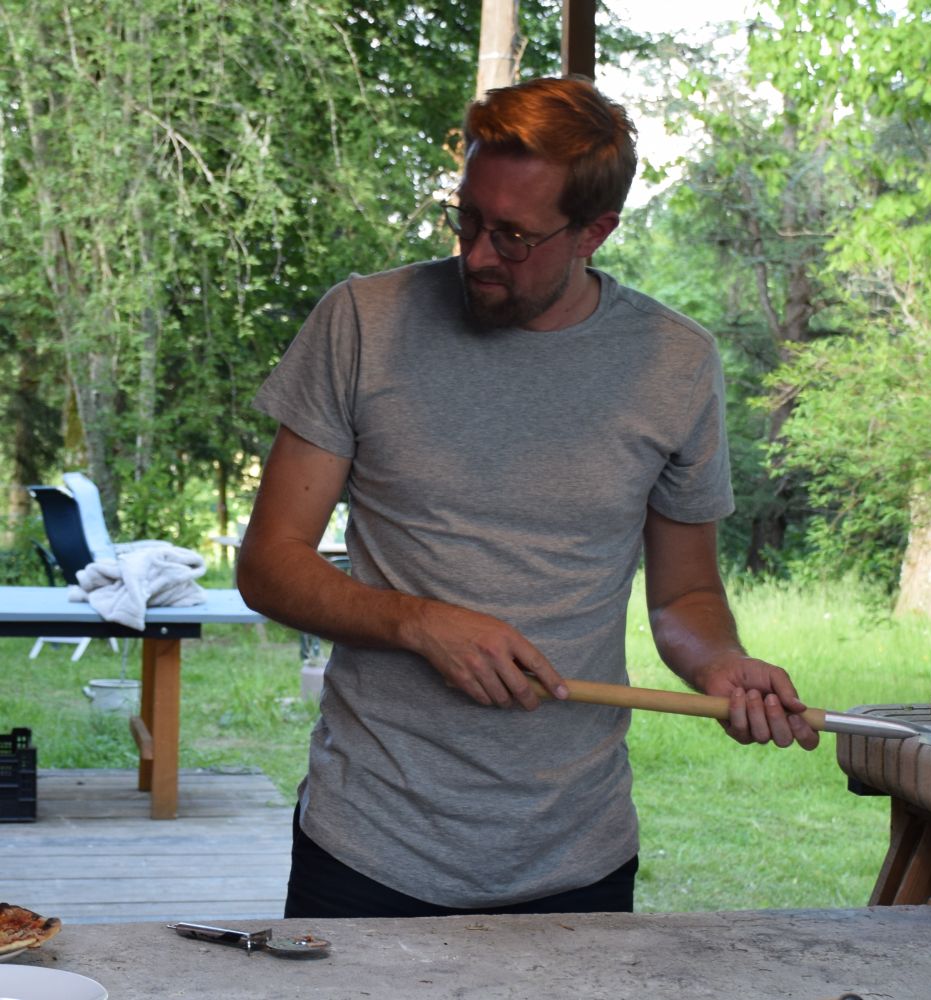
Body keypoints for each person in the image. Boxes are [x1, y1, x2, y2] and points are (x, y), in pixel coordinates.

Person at [236, 76, 819, 920]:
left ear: (595, 232)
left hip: (574, 851)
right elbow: (269, 565)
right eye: (467, 218)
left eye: (512, 236)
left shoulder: (675, 363)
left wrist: (720, 664)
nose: (475, 255)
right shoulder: (361, 321)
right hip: (368, 843)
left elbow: (687, 595)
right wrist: (420, 621)